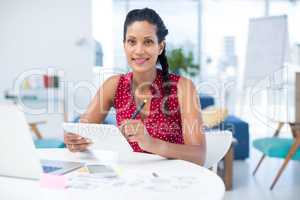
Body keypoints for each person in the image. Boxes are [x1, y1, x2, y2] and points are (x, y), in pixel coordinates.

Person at [64, 8, 206, 165]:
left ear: (160, 47)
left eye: (148, 42)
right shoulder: (114, 85)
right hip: (130, 178)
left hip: (173, 180)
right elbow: (83, 130)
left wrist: (151, 143)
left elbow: (199, 155)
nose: (139, 51)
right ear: (124, 45)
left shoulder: (182, 87)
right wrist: (75, 140)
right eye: (132, 41)